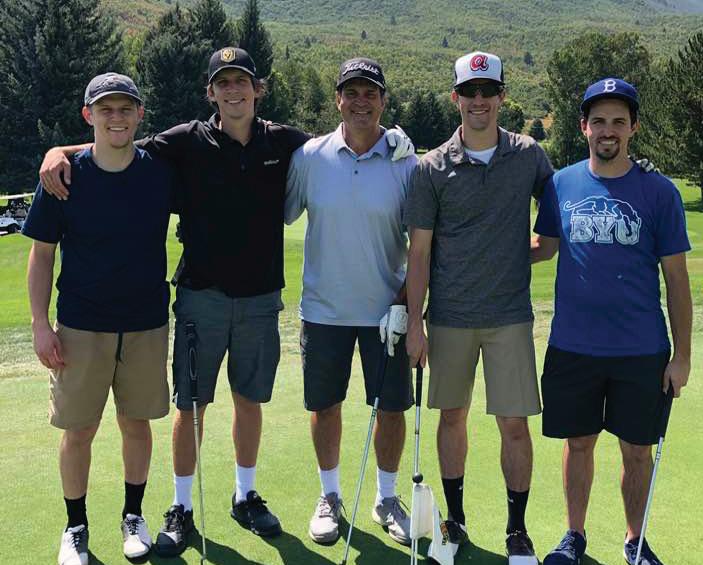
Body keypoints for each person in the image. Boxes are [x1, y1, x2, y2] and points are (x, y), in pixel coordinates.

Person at [39, 47, 414, 557]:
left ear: (258, 90)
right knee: (190, 405)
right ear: (211, 92)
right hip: (201, 295)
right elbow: (117, 142)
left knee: (248, 400)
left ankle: (245, 495)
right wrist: (59, 150)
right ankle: (181, 507)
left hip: (260, 298)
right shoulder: (184, 140)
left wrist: (395, 138)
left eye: (242, 82)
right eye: (224, 83)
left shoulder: (286, 143)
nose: (234, 90)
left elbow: (348, 138)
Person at [532, 78, 692, 565]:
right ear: (583, 127)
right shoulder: (560, 185)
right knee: (578, 443)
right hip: (573, 345)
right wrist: (473, 254)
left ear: (633, 127)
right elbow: (543, 248)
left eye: (619, 121)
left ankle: (634, 541)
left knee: (637, 451)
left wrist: (682, 357)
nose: (608, 130)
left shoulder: (659, 192)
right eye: (599, 120)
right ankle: (573, 536)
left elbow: (677, 281)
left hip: (641, 350)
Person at [404, 51, 554, 563]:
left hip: (510, 316)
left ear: (501, 97)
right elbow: (419, 252)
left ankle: (517, 529)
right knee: (452, 417)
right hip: (450, 317)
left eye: (488, 91)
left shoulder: (529, 155)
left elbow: (559, 213)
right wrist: (416, 323)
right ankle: (455, 520)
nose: (479, 101)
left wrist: (526, 253)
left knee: (514, 425)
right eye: (470, 92)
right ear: (456, 98)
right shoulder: (431, 167)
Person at [24, 73, 175, 565]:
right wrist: (40, 324)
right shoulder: (62, 177)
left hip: (145, 323)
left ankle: (133, 516)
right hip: (80, 327)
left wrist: (59, 147)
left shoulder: (159, 171)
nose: (116, 117)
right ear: (88, 115)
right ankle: (75, 527)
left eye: (125, 108)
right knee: (79, 431)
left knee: (136, 423)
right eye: (105, 109)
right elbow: (42, 254)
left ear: (140, 115)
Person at [284, 57, 417, 546]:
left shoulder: (406, 163)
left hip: (387, 312)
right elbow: (277, 211)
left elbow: (422, 245)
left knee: (391, 409)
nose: (361, 101)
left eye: (371, 93)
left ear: (384, 100)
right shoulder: (310, 157)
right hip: (324, 311)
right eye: (352, 92)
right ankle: (331, 496)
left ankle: (386, 498)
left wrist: (406, 303)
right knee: (325, 406)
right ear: (337, 99)